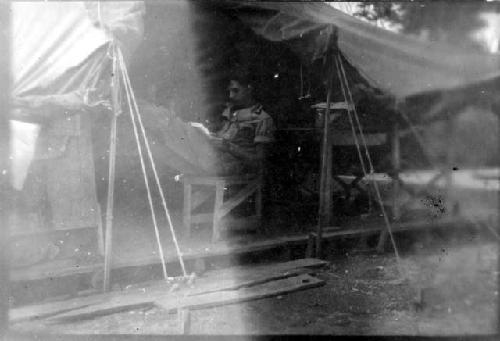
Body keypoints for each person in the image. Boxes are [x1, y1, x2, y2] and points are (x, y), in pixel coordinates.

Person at [208, 73, 275, 175]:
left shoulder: (262, 119)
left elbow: (259, 162)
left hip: (239, 173)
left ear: (249, 88)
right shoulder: (228, 114)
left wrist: (230, 147)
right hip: (217, 164)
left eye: (235, 90)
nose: (231, 96)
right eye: (229, 91)